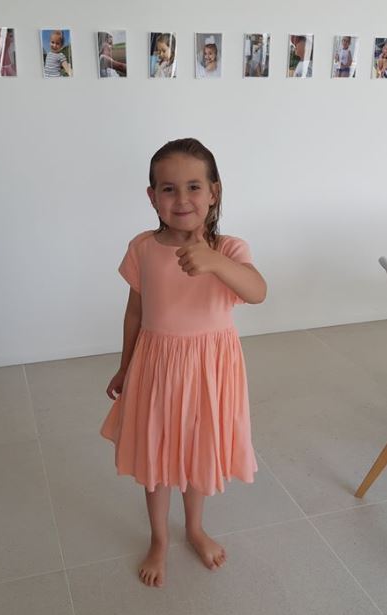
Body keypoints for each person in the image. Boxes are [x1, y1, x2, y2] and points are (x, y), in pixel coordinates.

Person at [100, 137, 267, 588]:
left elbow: (257, 291)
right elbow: (135, 313)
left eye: (194, 186)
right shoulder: (142, 247)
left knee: (198, 452)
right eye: (168, 189)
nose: (182, 199)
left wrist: (214, 261)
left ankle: (194, 528)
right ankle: (158, 539)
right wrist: (124, 366)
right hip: (156, 369)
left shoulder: (229, 250)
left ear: (214, 192)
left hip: (210, 374)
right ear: (152, 196)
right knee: (155, 458)